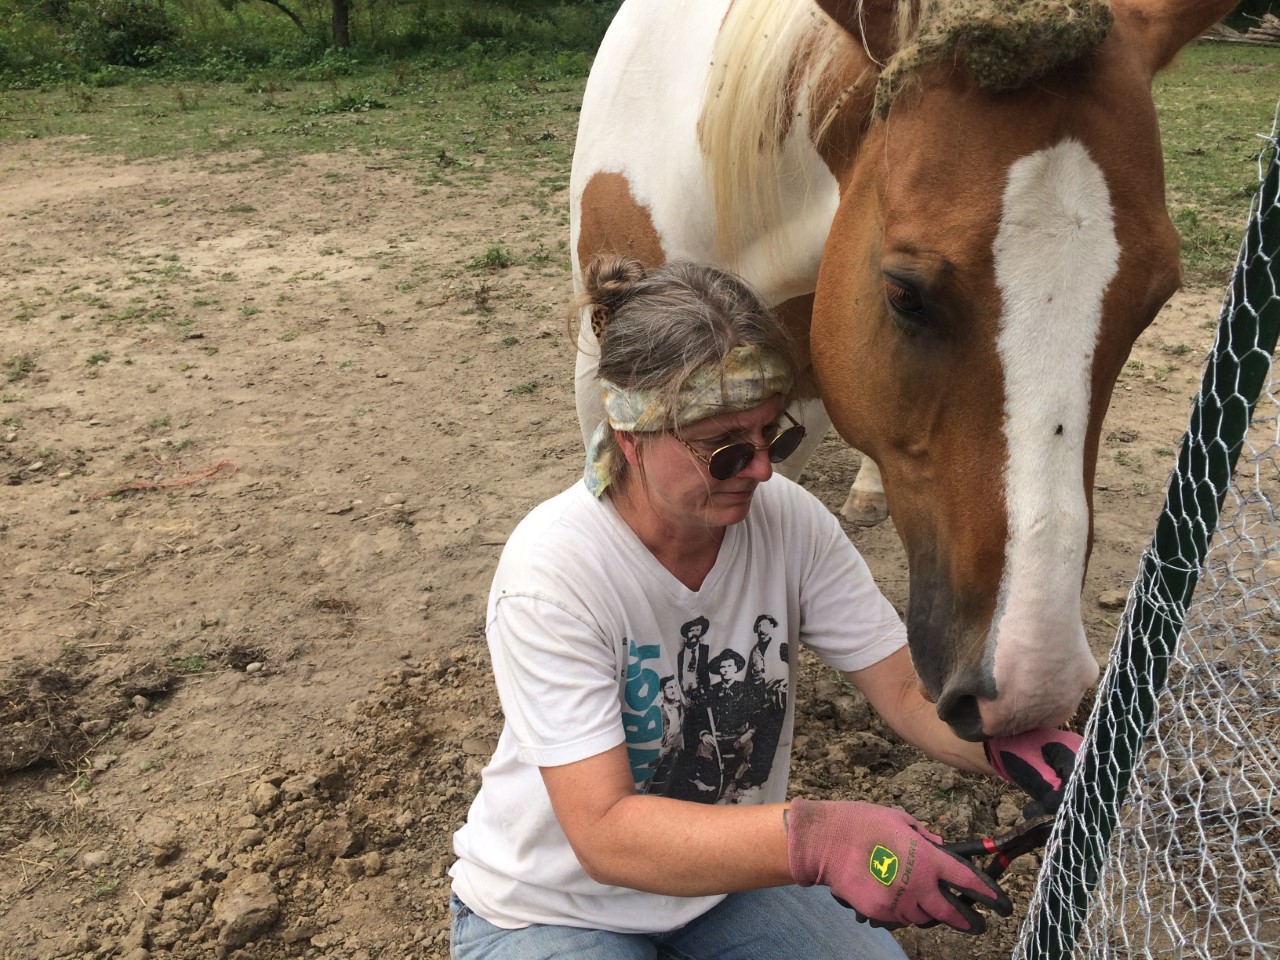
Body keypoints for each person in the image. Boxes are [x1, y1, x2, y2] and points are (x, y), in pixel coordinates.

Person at [448, 257, 1082, 960]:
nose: (760, 469)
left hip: (724, 887)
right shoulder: (555, 572)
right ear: (630, 438)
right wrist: (817, 839)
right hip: (554, 905)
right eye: (724, 451)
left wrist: (1007, 742)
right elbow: (604, 832)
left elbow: (903, 688)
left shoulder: (788, 521)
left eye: (771, 436)